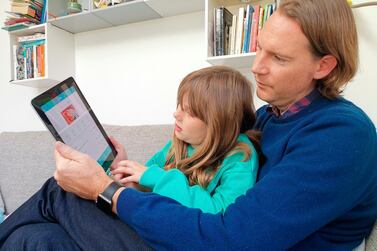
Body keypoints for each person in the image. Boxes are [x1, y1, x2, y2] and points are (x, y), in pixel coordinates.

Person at [0, 0, 376, 250]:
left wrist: (107, 191)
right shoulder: (267, 119)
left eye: (277, 57)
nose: (258, 66)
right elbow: (196, 162)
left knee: (59, 192)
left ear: (323, 66)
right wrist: (127, 171)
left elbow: (233, 237)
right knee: (36, 239)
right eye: (259, 47)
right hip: (201, 237)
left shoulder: (341, 136)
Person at [109, 66, 260, 214]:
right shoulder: (180, 141)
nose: (176, 114)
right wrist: (125, 171)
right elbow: (146, 184)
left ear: (219, 123)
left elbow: (221, 213)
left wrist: (159, 178)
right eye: (179, 105)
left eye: (189, 111)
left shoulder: (241, 158)